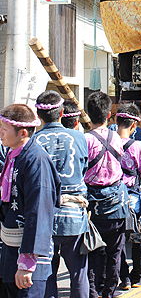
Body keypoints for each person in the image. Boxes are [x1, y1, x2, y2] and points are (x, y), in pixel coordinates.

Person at [0, 104, 61, 298]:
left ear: (22, 133)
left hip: (28, 253)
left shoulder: (36, 159)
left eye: (3, 129)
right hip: (11, 246)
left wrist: (27, 263)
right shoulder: (12, 153)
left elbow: (39, 212)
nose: (0, 133)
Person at [35, 91, 89, 298]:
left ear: (39, 116)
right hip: (73, 216)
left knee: (47, 273)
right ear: (62, 112)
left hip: (44, 217)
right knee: (78, 274)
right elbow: (83, 169)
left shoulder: (34, 141)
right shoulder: (79, 138)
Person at [84, 91, 129, 298]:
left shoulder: (85, 140)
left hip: (93, 204)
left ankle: (93, 291)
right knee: (114, 252)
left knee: (93, 251)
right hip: (117, 202)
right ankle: (109, 293)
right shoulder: (117, 139)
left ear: (87, 113)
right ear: (109, 114)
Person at [115, 103, 141, 290]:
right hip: (133, 195)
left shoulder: (108, 142)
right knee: (140, 233)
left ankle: (124, 277)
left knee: (117, 238)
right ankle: (137, 274)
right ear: (134, 126)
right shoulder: (136, 145)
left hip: (114, 196)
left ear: (116, 121)